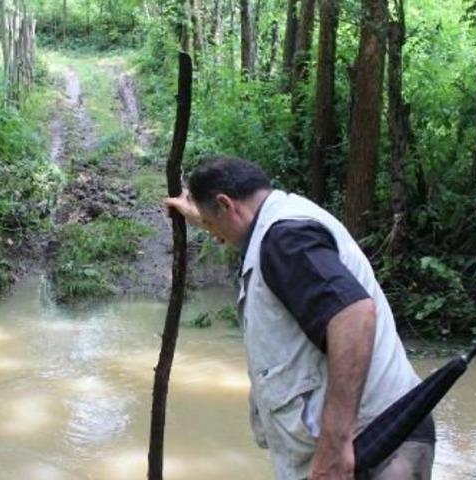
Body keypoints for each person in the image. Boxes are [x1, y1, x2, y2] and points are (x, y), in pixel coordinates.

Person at [163, 156, 435, 480]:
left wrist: (336, 445)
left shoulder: (285, 240)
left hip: (374, 447)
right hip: (381, 434)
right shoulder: (282, 220)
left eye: (211, 225)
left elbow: (354, 316)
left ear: (226, 204)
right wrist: (199, 213)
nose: (215, 237)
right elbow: (229, 221)